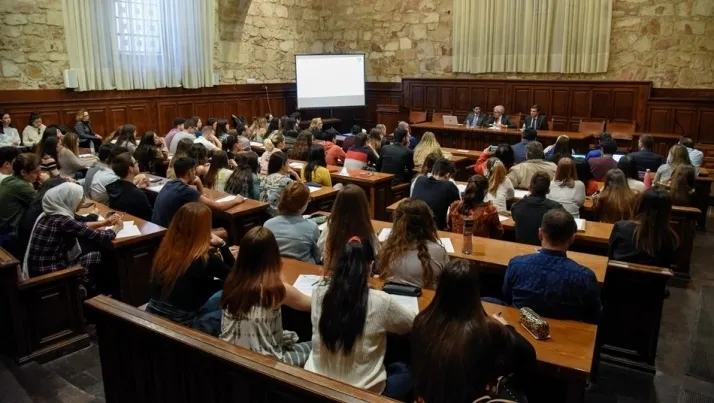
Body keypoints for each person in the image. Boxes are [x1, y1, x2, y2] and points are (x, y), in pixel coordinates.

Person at [304, 238, 416, 399]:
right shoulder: (381, 301)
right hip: (364, 394)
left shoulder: (319, 292)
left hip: (315, 384)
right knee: (410, 368)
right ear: (370, 266)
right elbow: (413, 323)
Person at [412, 259, 536, 403]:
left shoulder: (422, 320)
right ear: (476, 290)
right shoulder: (488, 328)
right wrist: (506, 327)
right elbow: (528, 353)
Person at [219, 226, 312, 366]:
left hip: (229, 357)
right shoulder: (275, 289)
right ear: (274, 255)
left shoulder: (231, 282)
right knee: (316, 346)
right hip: (265, 364)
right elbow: (312, 304)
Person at [504, 209, 601, 323]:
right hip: (567, 333)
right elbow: (594, 315)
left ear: (540, 234)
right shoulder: (585, 277)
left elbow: (507, 298)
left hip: (521, 329)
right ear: (572, 239)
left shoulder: (516, 265)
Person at [147, 202, 235, 326]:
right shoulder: (205, 259)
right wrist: (223, 245)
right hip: (182, 323)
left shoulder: (165, 250)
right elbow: (237, 278)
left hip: (152, 312)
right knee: (234, 298)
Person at [24, 183, 121, 289]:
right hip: (50, 275)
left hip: (39, 270)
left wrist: (103, 223)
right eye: (80, 198)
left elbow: (80, 225)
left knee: (87, 247)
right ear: (68, 199)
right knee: (96, 254)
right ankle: (82, 289)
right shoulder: (63, 221)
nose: (82, 201)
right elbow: (104, 236)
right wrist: (118, 227)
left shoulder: (48, 214)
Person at [152, 158, 244, 227]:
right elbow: (218, 207)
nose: (195, 172)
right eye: (194, 170)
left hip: (161, 228)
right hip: (172, 235)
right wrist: (236, 200)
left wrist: (199, 184)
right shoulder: (185, 191)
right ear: (190, 172)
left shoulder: (169, 184)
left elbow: (201, 204)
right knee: (224, 232)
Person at [379, 199, 449, 289]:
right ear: (429, 223)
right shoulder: (439, 252)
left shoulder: (386, 249)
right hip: (425, 297)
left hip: (390, 296)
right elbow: (446, 282)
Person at [608, 187, 678, 267]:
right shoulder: (671, 238)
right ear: (667, 211)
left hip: (617, 274)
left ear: (640, 205)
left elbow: (609, 257)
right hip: (652, 275)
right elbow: (667, 267)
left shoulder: (621, 227)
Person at [318, 185, 379, 268]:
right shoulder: (367, 231)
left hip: (333, 272)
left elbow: (320, 251)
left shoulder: (330, 228)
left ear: (337, 205)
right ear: (363, 206)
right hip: (360, 274)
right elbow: (377, 256)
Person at [263, 182, 321, 264]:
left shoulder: (267, 225)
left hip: (275, 267)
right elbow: (318, 257)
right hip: (304, 270)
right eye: (308, 199)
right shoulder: (312, 227)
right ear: (302, 204)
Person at [511, 172, 562, 245]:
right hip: (546, 249)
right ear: (548, 190)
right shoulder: (557, 209)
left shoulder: (516, 207)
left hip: (522, 249)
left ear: (530, 187)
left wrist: (526, 197)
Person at [411, 158, 461, 230]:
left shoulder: (419, 180)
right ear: (447, 175)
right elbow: (458, 211)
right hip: (435, 229)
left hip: (413, 225)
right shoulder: (449, 186)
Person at [0, 153, 42, 234]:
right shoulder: (21, 186)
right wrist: (47, 182)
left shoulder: (9, 179)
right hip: (7, 233)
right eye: (36, 172)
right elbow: (44, 203)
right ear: (23, 172)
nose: (39, 175)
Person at [106, 153, 153, 221]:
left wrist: (137, 187)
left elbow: (125, 192)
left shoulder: (113, 186)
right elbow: (150, 216)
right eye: (135, 162)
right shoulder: (138, 194)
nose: (137, 163)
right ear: (131, 168)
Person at [260, 151, 300, 217]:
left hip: (265, 213)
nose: (289, 165)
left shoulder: (264, 179)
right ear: (282, 165)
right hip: (280, 215)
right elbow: (303, 192)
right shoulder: (286, 181)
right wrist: (296, 175)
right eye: (287, 162)